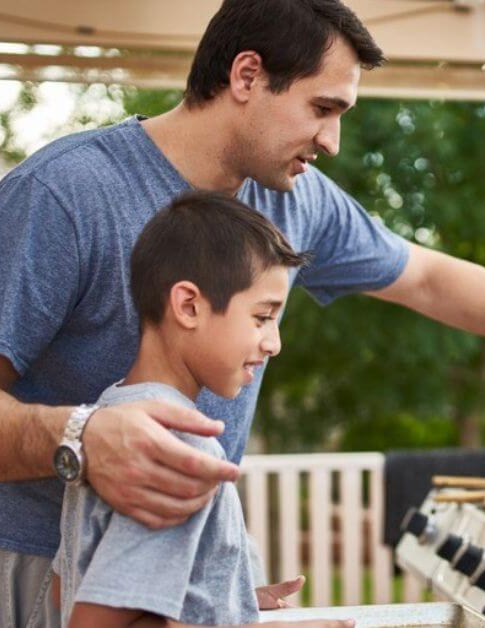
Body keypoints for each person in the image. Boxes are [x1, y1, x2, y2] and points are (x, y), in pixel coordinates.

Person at [0, 0, 485, 625]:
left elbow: (430, 279)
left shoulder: (291, 200)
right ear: (247, 75)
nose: (333, 140)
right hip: (48, 574)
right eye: (322, 107)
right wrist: (82, 438)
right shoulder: (65, 194)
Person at [55, 191, 316, 627]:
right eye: (262, 317)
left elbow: (68, 586)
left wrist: (230, 597)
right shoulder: (179, 447)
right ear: (189, 306)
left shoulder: (111, 417)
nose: (275, 343)